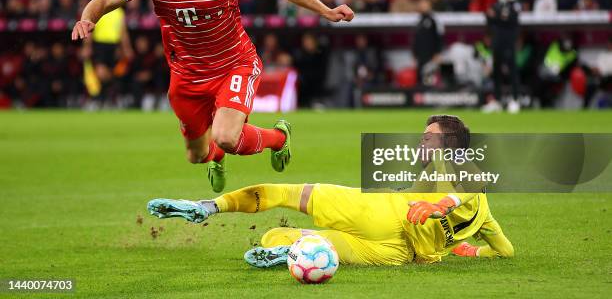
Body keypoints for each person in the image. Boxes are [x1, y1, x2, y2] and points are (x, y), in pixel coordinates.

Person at [71, 0, 354, 192]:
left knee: (227, 137)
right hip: (187, 76)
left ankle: (278, 138)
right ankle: (215, 157)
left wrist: (325, 10)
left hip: (235, 63)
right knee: (196, 155)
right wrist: (88, 17)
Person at [147, 115, 514, 267]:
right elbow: (506, 251)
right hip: (393, 254)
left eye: (430, 135)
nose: (423, 139)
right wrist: (470, 249)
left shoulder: (453, 164)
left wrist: (442, 205)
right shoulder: (486, 218)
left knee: (288, 194)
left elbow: (470, 182)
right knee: (283, 239)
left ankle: (210, 206)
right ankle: (292, 253)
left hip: (381, 211)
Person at [482, 0, 521, 113]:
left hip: (509, 40)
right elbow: (489, 17)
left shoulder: (514, 2)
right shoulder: (498, 2)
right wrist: (499, 16)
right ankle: (497, 101)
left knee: (512, 70)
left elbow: (510, 19)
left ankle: (515, 100)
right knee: (496, 71)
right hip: (497, 40)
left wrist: (496, 15)